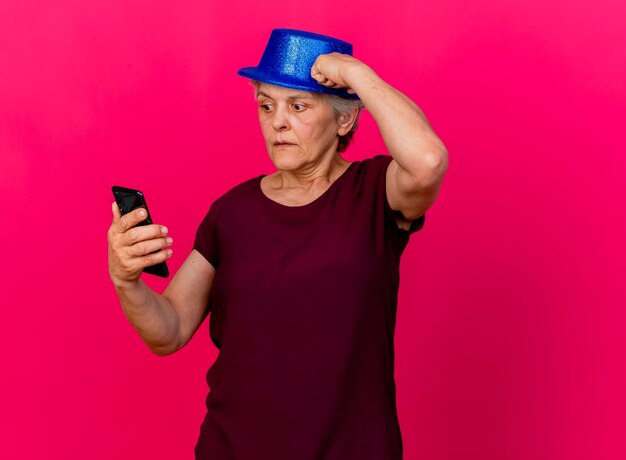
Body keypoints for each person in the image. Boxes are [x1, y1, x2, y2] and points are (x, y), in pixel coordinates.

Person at [107, 28, 448, 460]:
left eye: (298, 105)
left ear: (344, 119)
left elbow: (428, 160)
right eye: (266, 105)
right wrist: (126, 281)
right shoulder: (232, 212)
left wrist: (353, 72)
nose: (278, 121)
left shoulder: (374, 191)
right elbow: (169, 331)